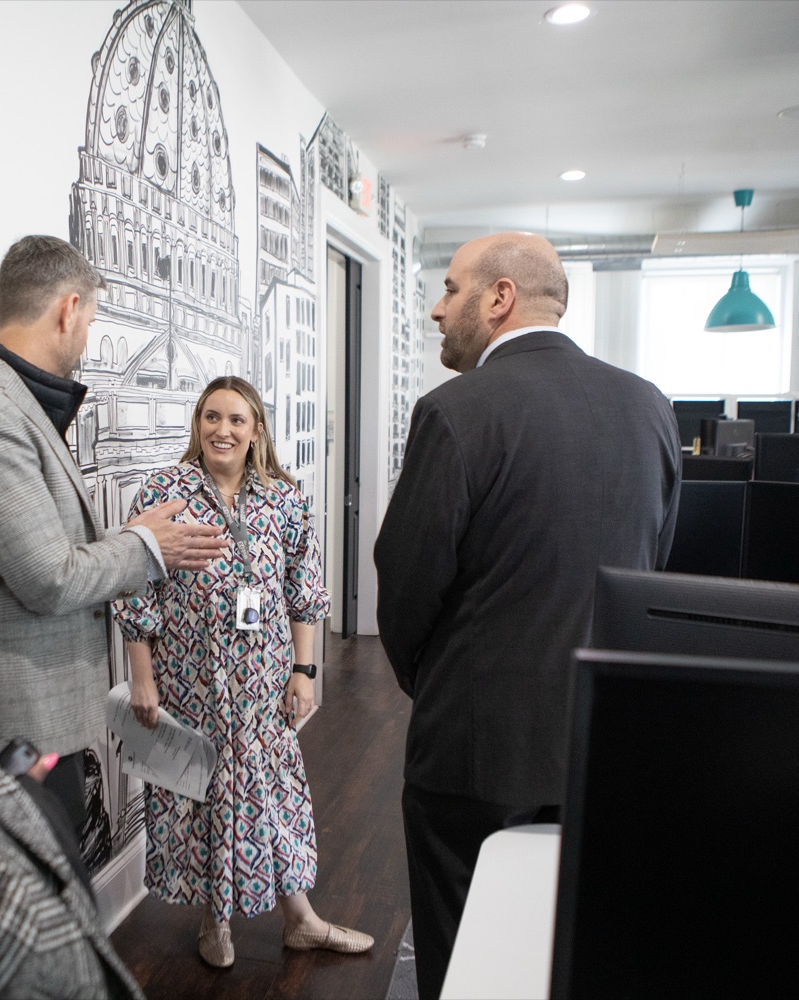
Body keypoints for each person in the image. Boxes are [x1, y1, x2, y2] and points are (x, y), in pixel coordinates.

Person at [374, 232, 680, 1000]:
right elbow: (651, 571)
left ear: (500, 297)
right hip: (599, 741)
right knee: (565, 950)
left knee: (464, 956)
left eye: (450, 289)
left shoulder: (454, 411)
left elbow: (405, 584)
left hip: (474, 749)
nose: (436, 309)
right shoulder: (650, 407)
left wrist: (432, 684)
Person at [0, 235, 227, 828]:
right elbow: (50, 578)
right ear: (68, 309)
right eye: (90, 321)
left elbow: (44, 544)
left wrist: (128, 536)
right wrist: (145, 547)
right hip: (15, 721)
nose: (87, 339)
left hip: (39, 718)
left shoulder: (9, 401)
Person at [112, 376, 374, 968]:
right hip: (190, 680)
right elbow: (135, 588)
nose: (222, 430)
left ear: (256, 430)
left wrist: (304, 670)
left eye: (236, 419)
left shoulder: (284, 499)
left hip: (262, 685)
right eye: (212, 417)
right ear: (197, 424)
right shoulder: (164, 493)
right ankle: (217, 920)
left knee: (269, 792)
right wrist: (142, 676)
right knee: (204, 794)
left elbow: (304, 588)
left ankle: (299, 919)